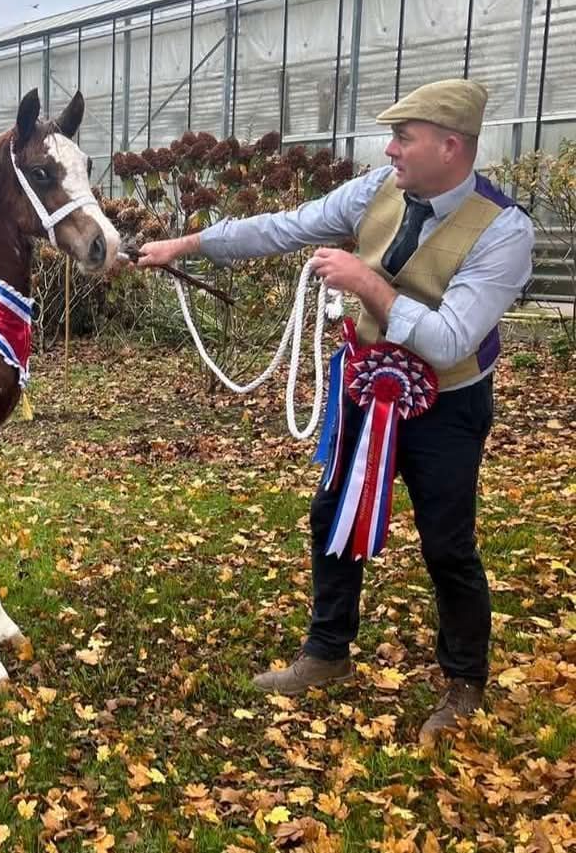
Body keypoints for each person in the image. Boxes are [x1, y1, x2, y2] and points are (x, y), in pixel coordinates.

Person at [137, 79, 535, 746]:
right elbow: (283, 226)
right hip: (365, 384)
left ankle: (465, 679)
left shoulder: (504, 230)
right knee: (334, 515)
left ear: (450, 145)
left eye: (404, 138)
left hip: (448, 403)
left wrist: (366, 282)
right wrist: (185, 245)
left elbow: (447, 341)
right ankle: (327, 653)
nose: (390, 149)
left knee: (447, 542)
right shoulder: (376, 190)